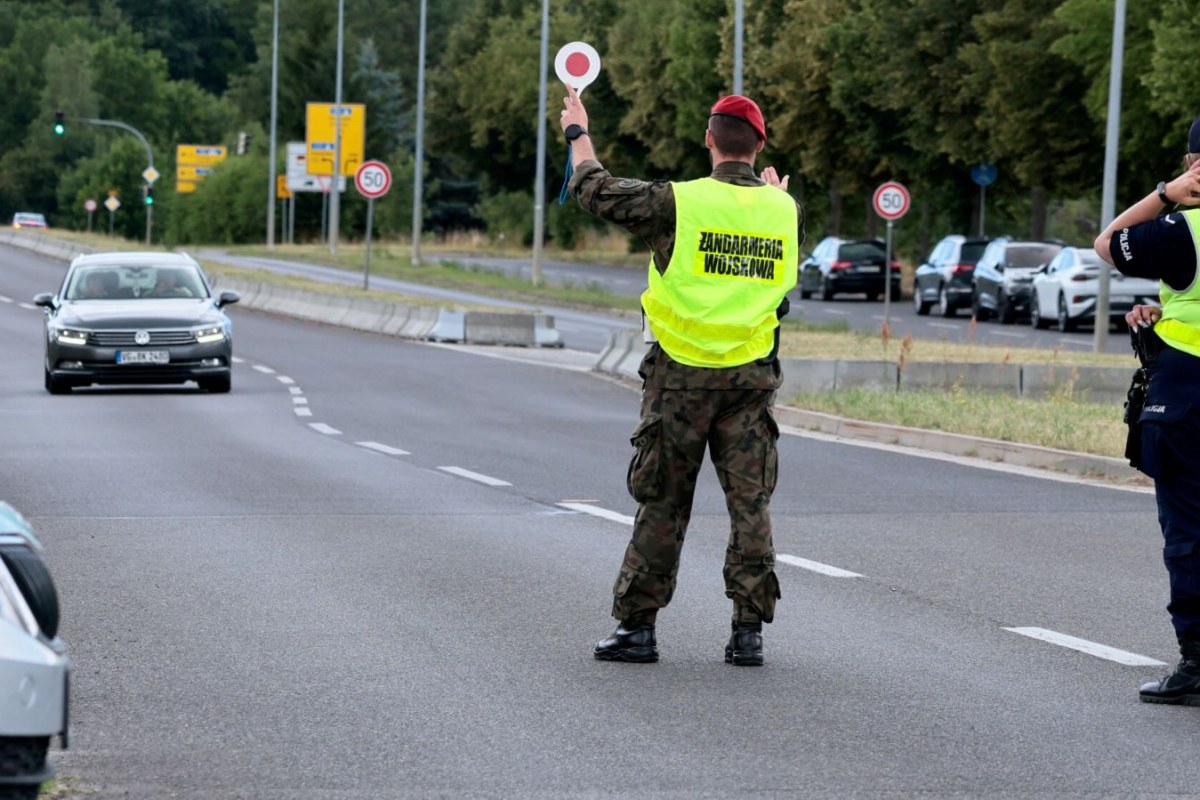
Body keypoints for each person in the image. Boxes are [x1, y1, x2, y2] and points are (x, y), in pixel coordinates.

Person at [560, 84, 803, 666]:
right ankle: (749, 634)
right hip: (749, 381)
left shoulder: (679, 201)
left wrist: (578, 131)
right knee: (751, 503)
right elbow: (783, 289)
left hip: (680, 380)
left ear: (708, 141)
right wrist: (774, 199)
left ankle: (637, 629)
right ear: (760, 145)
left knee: (664, 502)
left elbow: (595, 188)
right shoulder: (785, 210)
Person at [1095, 115, 1200, 705]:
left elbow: (1107, 243)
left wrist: (1164, 195)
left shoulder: (1183, 228)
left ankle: (1197, 662)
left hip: (1188, 392)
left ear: (1194, 164)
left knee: (1188, 531)